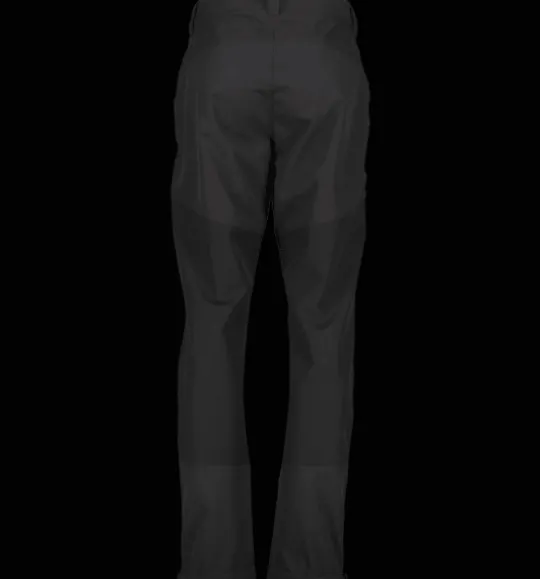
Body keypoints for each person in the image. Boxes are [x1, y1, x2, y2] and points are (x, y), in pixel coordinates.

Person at [171, 1, 370, 577]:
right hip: (322, 56)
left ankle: (211, 566)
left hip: (222, 55)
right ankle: (311, 566)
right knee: (324, 327)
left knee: (211, 323)